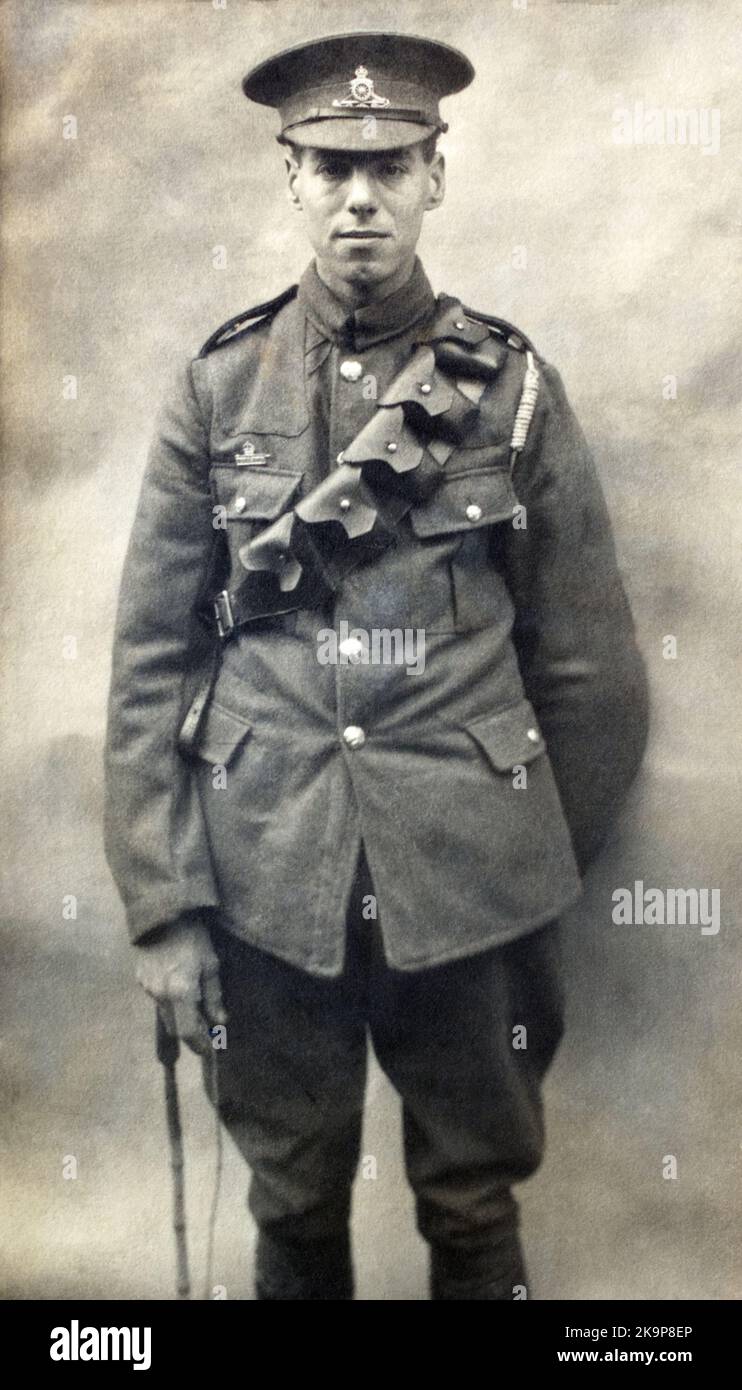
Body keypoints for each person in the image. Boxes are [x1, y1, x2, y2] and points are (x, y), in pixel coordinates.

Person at [104, 30, 649, 1300]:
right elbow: (148, 663)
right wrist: (166, 902)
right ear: (288, 175)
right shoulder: (216, 387)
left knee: (470, 1198)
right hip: (264, 877)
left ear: (434, 174)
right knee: (292, 1199)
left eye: (390, 166)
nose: (361, 198)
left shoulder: (509, 390)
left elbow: (589, 670)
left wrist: (512, 844)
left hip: (468, 880)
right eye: (332, 167)